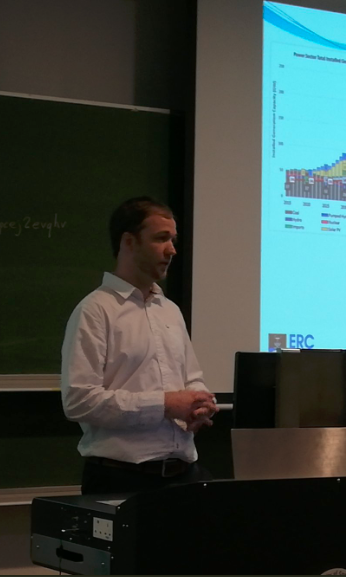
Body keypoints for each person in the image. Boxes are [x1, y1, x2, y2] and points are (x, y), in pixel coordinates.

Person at [60, 196, 217, 495]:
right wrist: (165, 404)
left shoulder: (169, 310)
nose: (172, 249)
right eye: (161, 238)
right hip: (120, 479)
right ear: (129, 242)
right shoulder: (95, 310)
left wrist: (199, 404)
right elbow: (79, 400)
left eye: (173, 240)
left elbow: (191, 378)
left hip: (183, 474)